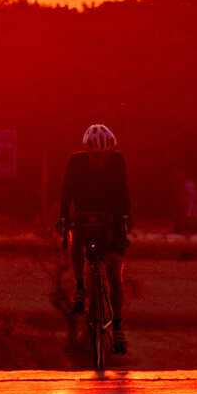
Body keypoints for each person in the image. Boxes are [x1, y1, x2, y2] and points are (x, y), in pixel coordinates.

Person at [57, 122, 130, 355]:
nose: (101, 161)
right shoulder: (76, 162)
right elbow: (66, 192)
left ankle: (117, 324)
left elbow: (124, 192)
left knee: (114, 272)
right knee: (75, 236)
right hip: (85, 216)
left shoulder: (118, 162)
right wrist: (63, 217)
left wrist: (126, 217)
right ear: (88, 152)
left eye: (105, 155)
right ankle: (80, 285)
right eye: (97, 156)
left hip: (111, 217)